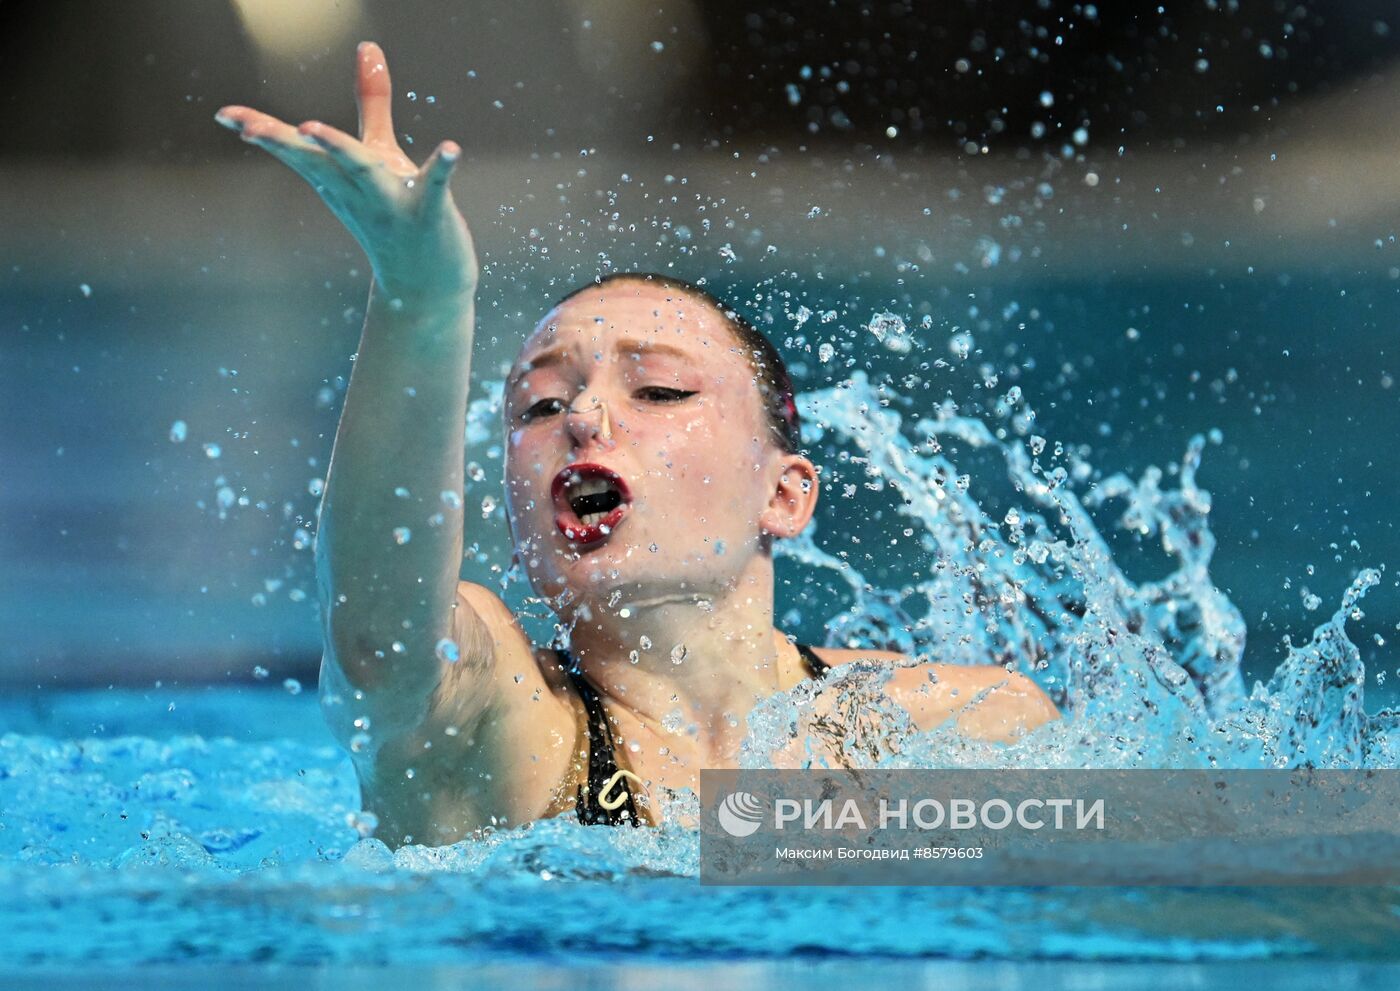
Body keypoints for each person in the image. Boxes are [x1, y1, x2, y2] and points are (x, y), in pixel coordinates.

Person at [216, 42, 1059, 848]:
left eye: (658, 389)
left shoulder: (970, 729)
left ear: (785, 494)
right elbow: (377, 648)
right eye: (539, 404)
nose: (584, 416)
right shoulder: (505, 729)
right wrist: (421, 298)